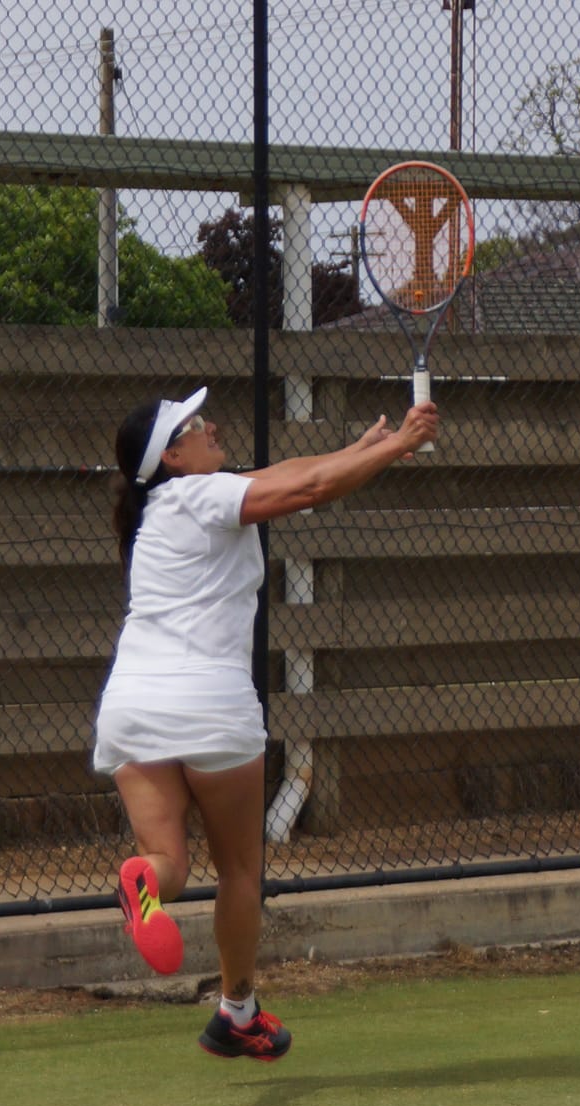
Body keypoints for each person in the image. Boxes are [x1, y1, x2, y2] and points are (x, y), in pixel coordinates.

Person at [93, 386, 440, 1060]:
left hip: (132, 707)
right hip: (210, 708)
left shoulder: (169, 506)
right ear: (171, 456)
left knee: (169, 860)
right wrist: (399, 445)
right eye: (195, 425)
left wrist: (360, 448)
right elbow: (306, 489)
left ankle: (143, 880)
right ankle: (237, 1009)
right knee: (239, 873)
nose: (212, 424)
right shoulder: (201, 496)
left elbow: (283, 475)